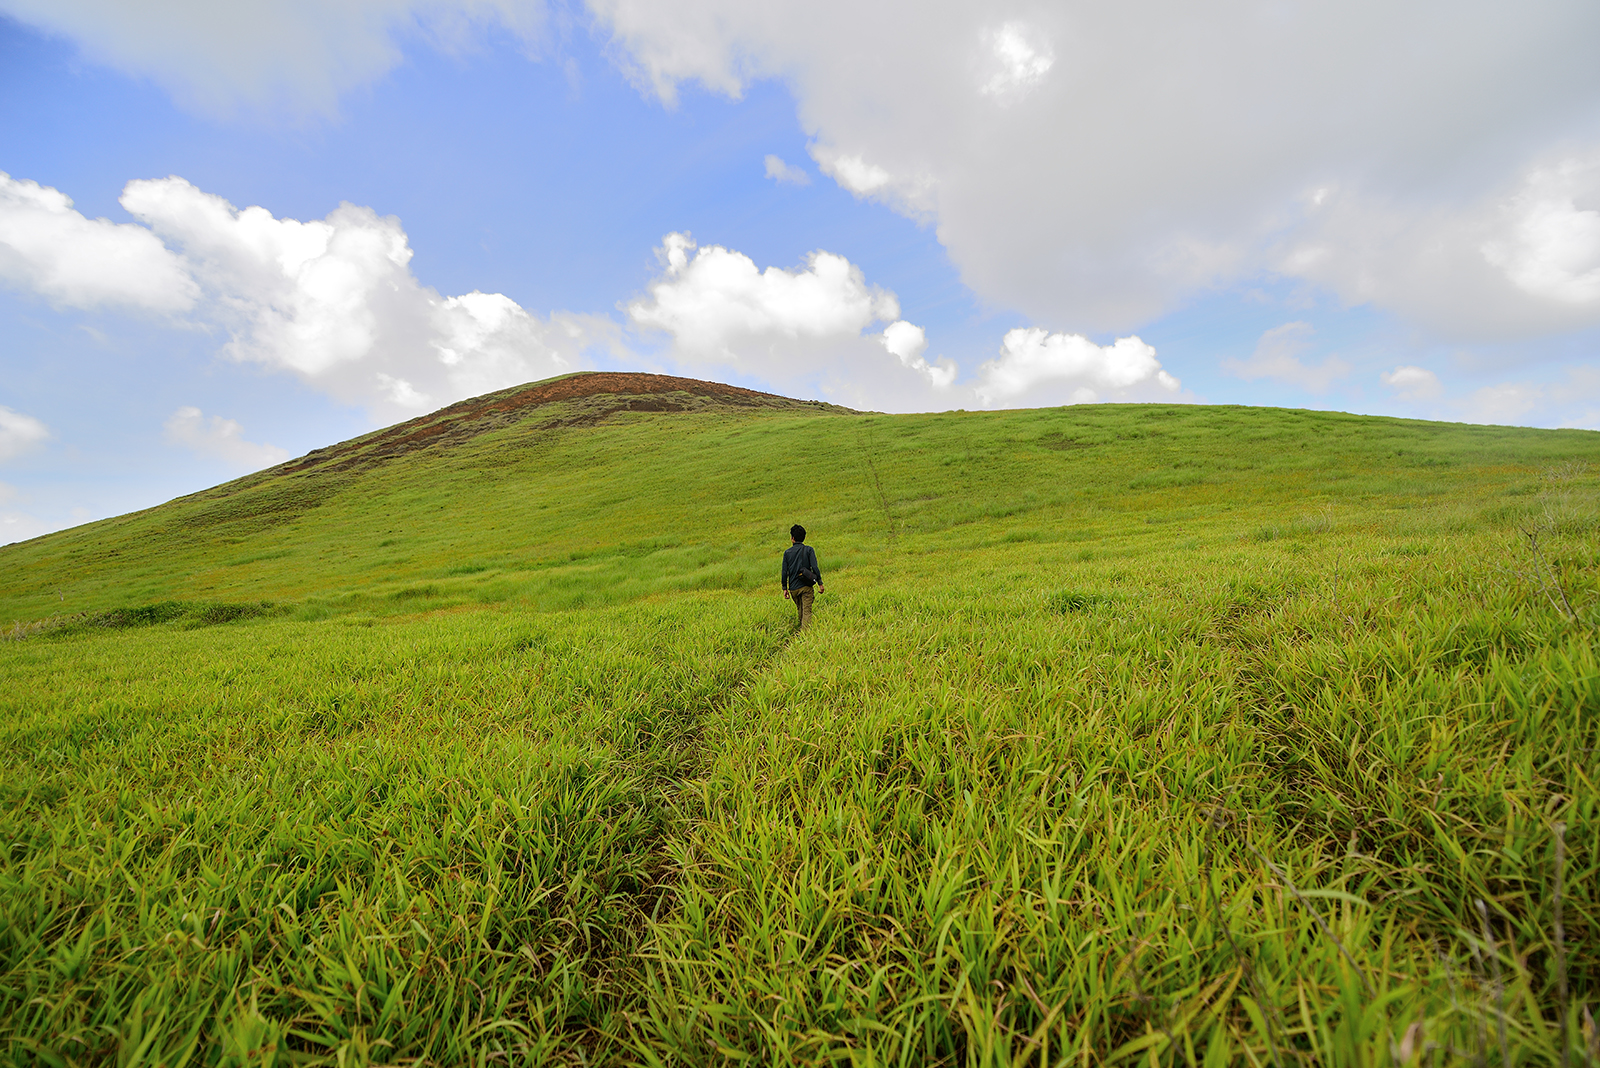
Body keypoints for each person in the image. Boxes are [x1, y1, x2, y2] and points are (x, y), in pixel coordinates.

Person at [781, 524, 825, 629]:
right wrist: (820, 583)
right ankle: (805, 637)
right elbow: (815, 567)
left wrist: (784, 588)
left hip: (793, 589)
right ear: (804, 537)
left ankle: (801, 632)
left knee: (800, 609)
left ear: (792, 538)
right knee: (807, 611)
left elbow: (784, 572)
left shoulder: (787, 553)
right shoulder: (809, 550)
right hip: (806, 587)